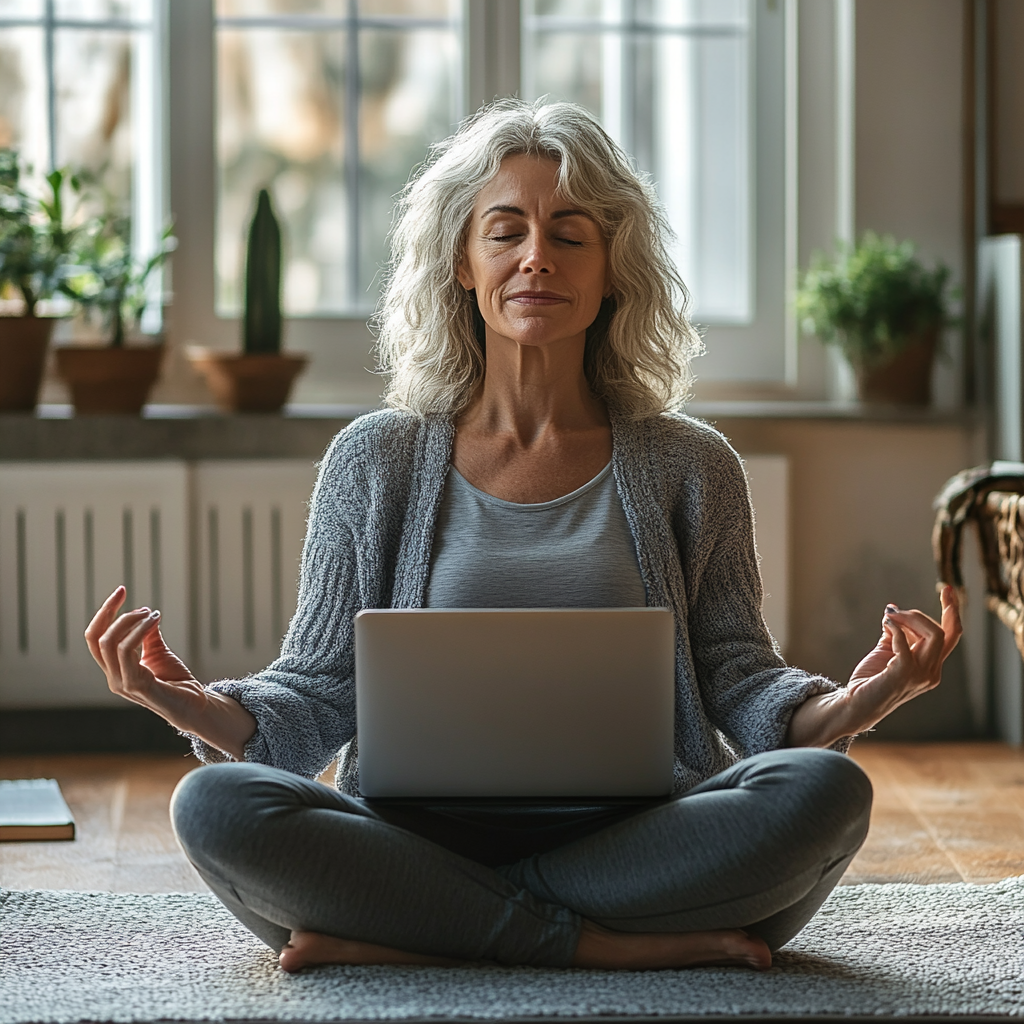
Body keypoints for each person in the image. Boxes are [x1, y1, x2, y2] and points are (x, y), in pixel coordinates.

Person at [85, 99, 961, 974]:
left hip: (637, 834)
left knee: (826, 791)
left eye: (570, 234)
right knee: (216, 804)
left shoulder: (692, 466)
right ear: (462, 263)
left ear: (613, 267)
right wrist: (186, 702)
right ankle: (603, 943)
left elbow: (741, 677)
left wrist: (858, 702)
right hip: (418, 835)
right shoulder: (374, 460)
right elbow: (316, 693)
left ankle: (422, 930)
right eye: (505, 232)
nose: (536, 255)